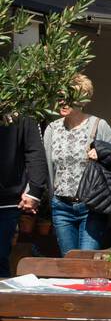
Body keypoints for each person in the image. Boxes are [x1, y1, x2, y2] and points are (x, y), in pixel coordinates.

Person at [43, 74, 111, 255]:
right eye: (60, 98)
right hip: (61, 207)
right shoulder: (52, 129)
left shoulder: (98, 125)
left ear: (82, 100)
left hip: (92, 207)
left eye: (69, 99)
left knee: (86, 261)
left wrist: (102, 153)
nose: (63, 103)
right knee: (69, 263)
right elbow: (46, 166)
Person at [0, 114, 49, 279]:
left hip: (6, 199)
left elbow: (34, 150)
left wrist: (35, 191)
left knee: (0, 257)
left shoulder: (21, 110)